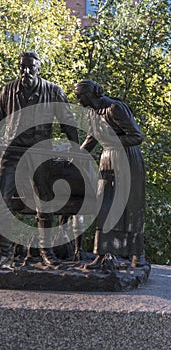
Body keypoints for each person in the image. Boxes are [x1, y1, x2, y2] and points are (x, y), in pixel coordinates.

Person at [0, 51, 79, 268]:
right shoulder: (8, 90)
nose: (26, 71)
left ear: (39, 67)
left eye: (30, 67)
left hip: (40, 151)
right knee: (0, 201)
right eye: (22, 67)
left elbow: (69, 123)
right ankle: (5, 255)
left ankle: (47, 254)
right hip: (13, 150)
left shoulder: (53, 90)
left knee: (45, 201)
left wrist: (76, 151)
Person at [74, 79, 146, 268]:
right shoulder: (92, 113)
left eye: (79, 96)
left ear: (90, 94)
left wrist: (112, 141)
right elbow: (92, 138)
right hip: (107, 160)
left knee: (130, 206)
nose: (78, 100)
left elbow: (137, 136)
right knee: (103, 205)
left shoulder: (115, 108)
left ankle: (137, 255)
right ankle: (102, 254)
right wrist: (76, 154)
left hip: (127, 160)